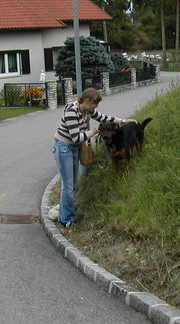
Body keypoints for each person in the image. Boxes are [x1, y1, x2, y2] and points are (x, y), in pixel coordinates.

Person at [52, 87, 136, 227]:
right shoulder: (71, 112)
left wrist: (124, 120)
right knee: (68, 185)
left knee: (72, 184)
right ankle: (67, 219)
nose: (96, 107)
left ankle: (64, 213)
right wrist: (95, 131)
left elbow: (103, 118)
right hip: (64, 148)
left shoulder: (87, 110)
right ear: (86, 100)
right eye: (95, 103)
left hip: (73, 148)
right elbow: (75, 138)